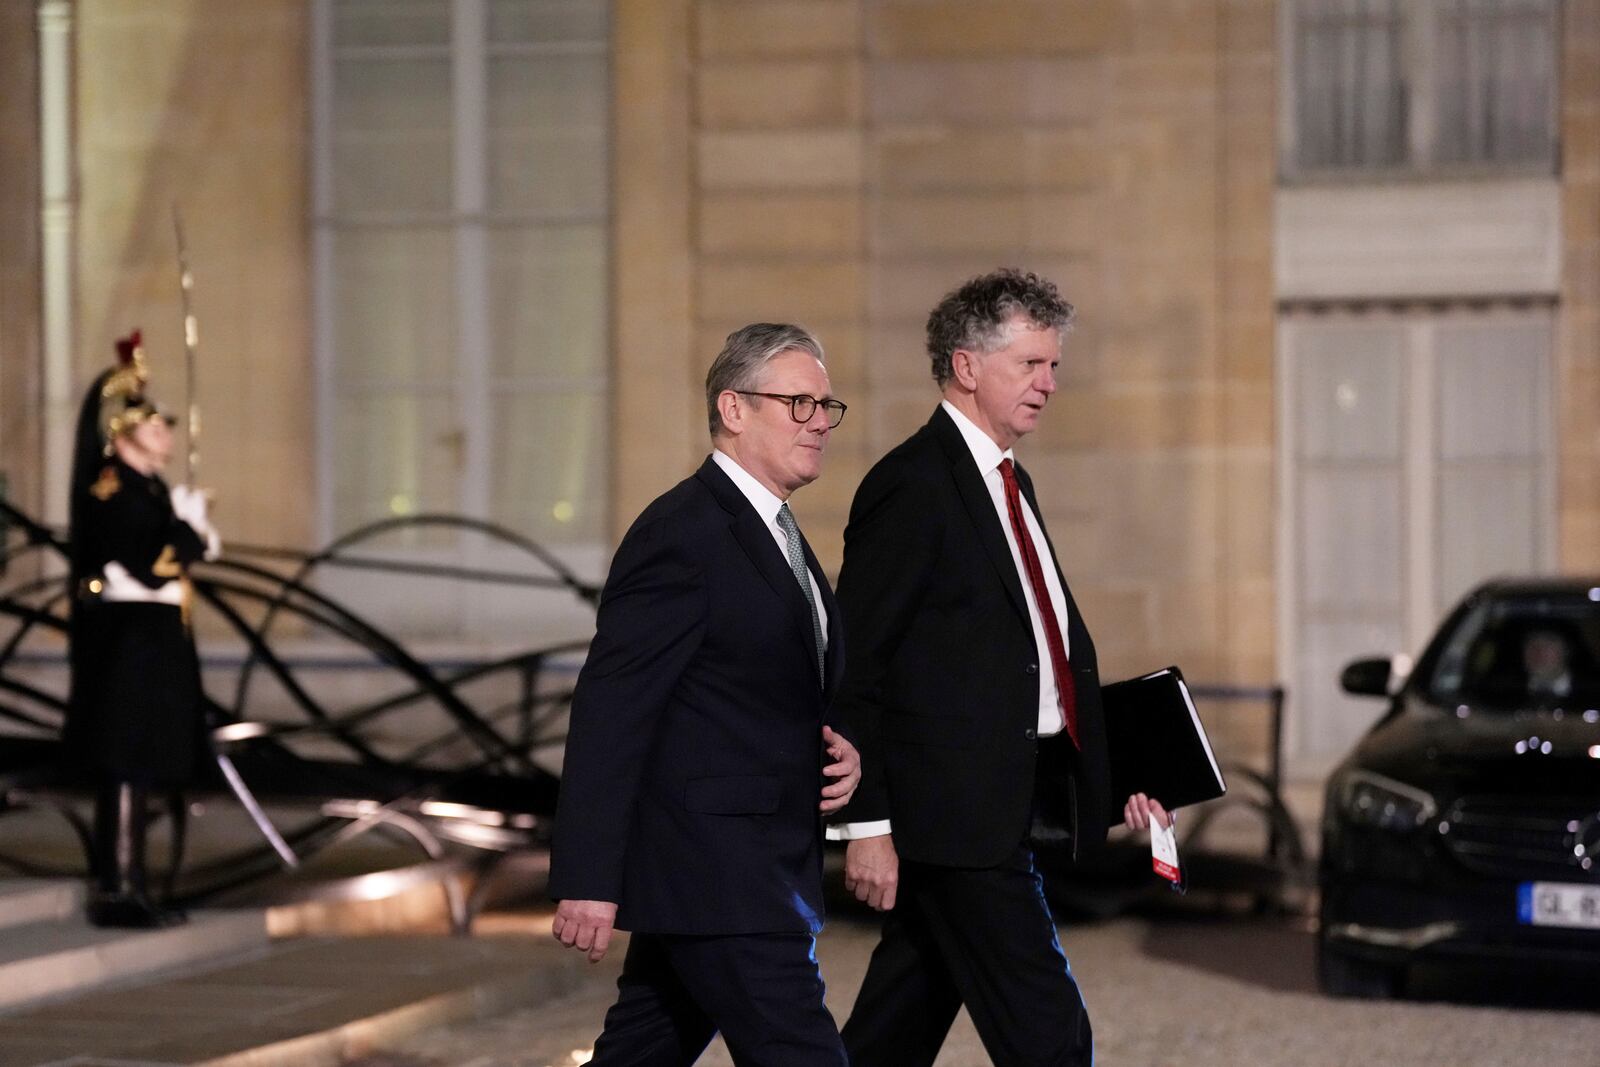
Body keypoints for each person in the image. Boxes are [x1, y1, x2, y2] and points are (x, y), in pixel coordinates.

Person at [829, 269, 1167, 1067]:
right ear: (967, 366)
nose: (1048, 384)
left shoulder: (1012, 483)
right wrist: (866, 826)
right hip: (955, 827)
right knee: (1053, 1039)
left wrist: (1119, 777)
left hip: (1000, 808)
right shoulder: (911, 485)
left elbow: (1037, 668)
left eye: (1053, 366)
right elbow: (855, 663)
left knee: (891, 1032)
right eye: (1030, 364)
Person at [548, 323, 861, 1066]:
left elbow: (763, 685)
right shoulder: (683, 531)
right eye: (798, 402)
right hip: (726, 873)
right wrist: (589, 877)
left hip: (740, 867)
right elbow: (612, 709)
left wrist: (839, 742)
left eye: (825, 405)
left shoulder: (779, 532)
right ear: (733, 408)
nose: (819, 421)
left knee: (641, 1050)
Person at [66, 330, 219, 928]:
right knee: (124, 762)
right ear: (122, 434)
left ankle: (134, 882)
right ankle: (116, 887)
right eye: (155, 427)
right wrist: (186, 529)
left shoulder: (147, 488)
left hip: (153, 639)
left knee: (145, 762)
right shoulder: (113, 490)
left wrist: (185, 528)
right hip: (128, 639)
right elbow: (152, 563)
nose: (168, 437)